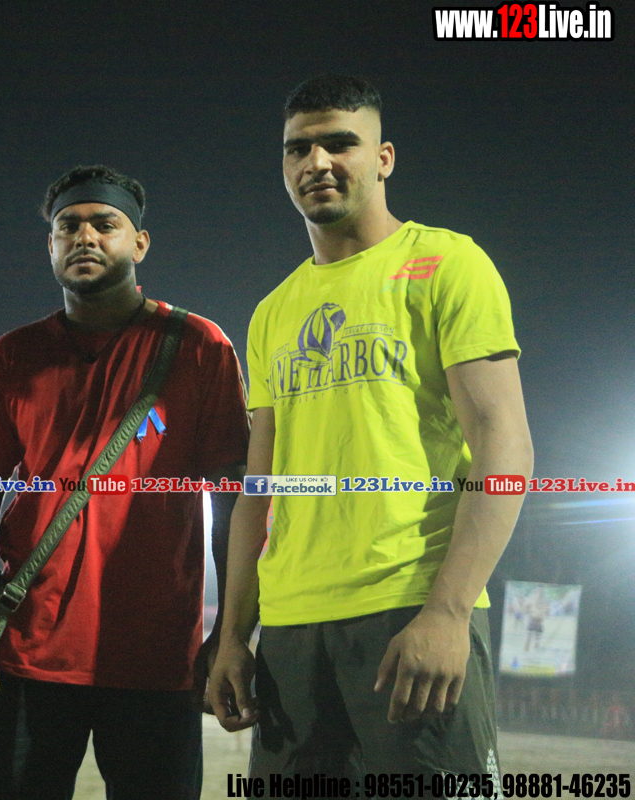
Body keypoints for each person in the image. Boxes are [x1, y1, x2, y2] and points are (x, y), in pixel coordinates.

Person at [207, 74, 533, 779]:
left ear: (383, 158)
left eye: (339, 144)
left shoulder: (447, 264)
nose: (317, 162)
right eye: (299, 148)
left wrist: (448, 612)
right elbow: (257, 491)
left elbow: (505, 444)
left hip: (409, 609)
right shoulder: (273, 311)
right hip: (290, 630)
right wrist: (232, 635)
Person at [0, 165, 250, 799]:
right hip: (29, 653)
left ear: (140, 243)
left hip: (156, 658)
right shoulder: (13, 356)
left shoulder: (198, 347)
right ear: (50, 246)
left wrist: (232, 635)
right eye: (68, 226)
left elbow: (236, 501)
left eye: (104, 224)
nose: (84, 236)